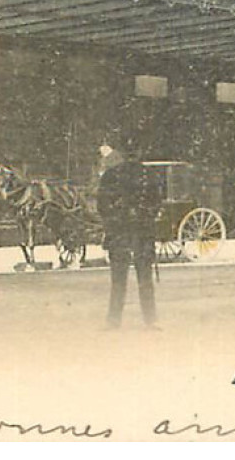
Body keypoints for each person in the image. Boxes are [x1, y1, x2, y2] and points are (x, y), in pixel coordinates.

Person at [96, 137, 164, 330]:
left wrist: (116, 220)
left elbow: (103, 206)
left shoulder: (111, 175)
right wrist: (144, 217)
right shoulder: (149, 175)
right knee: (144, 278)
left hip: (121, 233)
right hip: (140, 232)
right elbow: (156, 203)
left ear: (122, 154)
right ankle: (150, 321)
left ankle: (113, 321)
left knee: (119, 279)